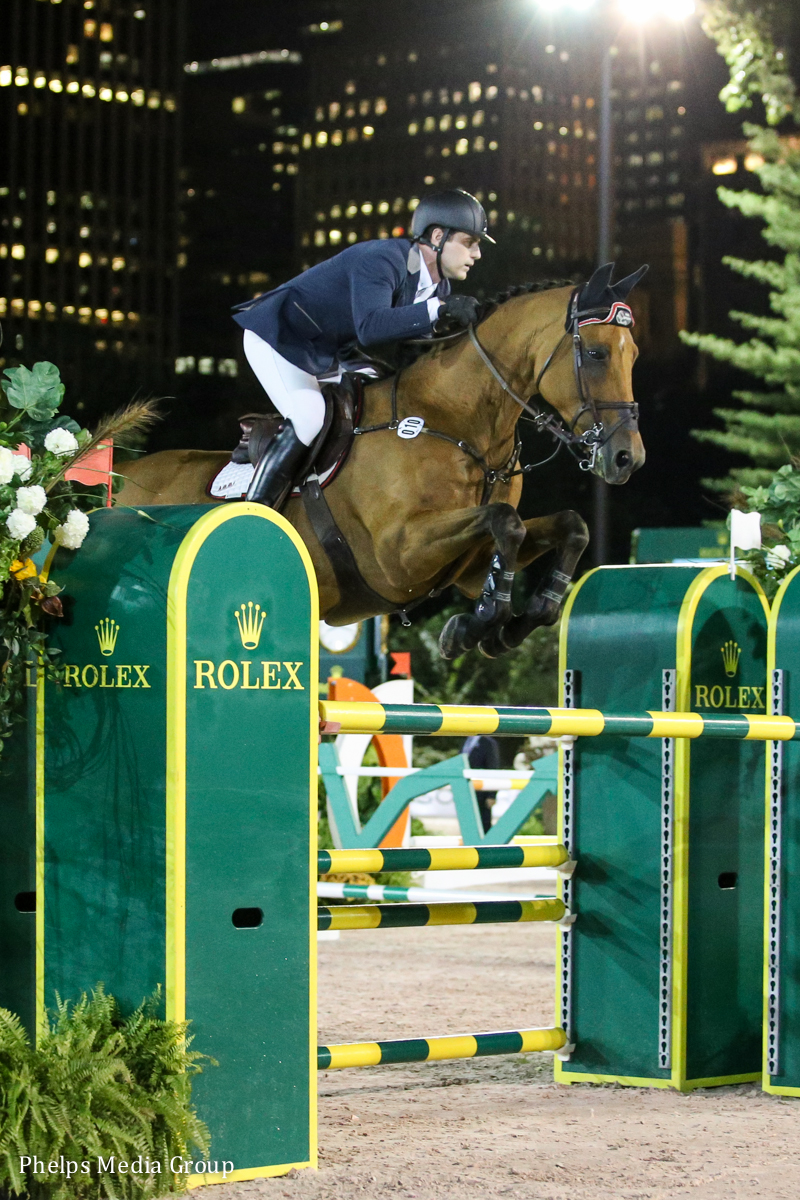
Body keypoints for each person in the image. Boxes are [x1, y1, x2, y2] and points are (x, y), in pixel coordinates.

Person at [231, 188, 495, 509]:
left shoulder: (439, 286)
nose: (477, 255)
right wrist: (438, 310)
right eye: (470, 243)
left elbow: (413, 343)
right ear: (438, 236)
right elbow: (371, 328)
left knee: (377, 405)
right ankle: (256, 514)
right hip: (282, 336)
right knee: (309, 415)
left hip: (328, 351)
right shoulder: (382, 259)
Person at [462, 734, 501, 834]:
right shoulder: (465, 740)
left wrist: (492, 794)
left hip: (482, 792)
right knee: (468, 821)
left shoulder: (488, 743)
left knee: (484, 823)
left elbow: (493, 767)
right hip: (466, 789)